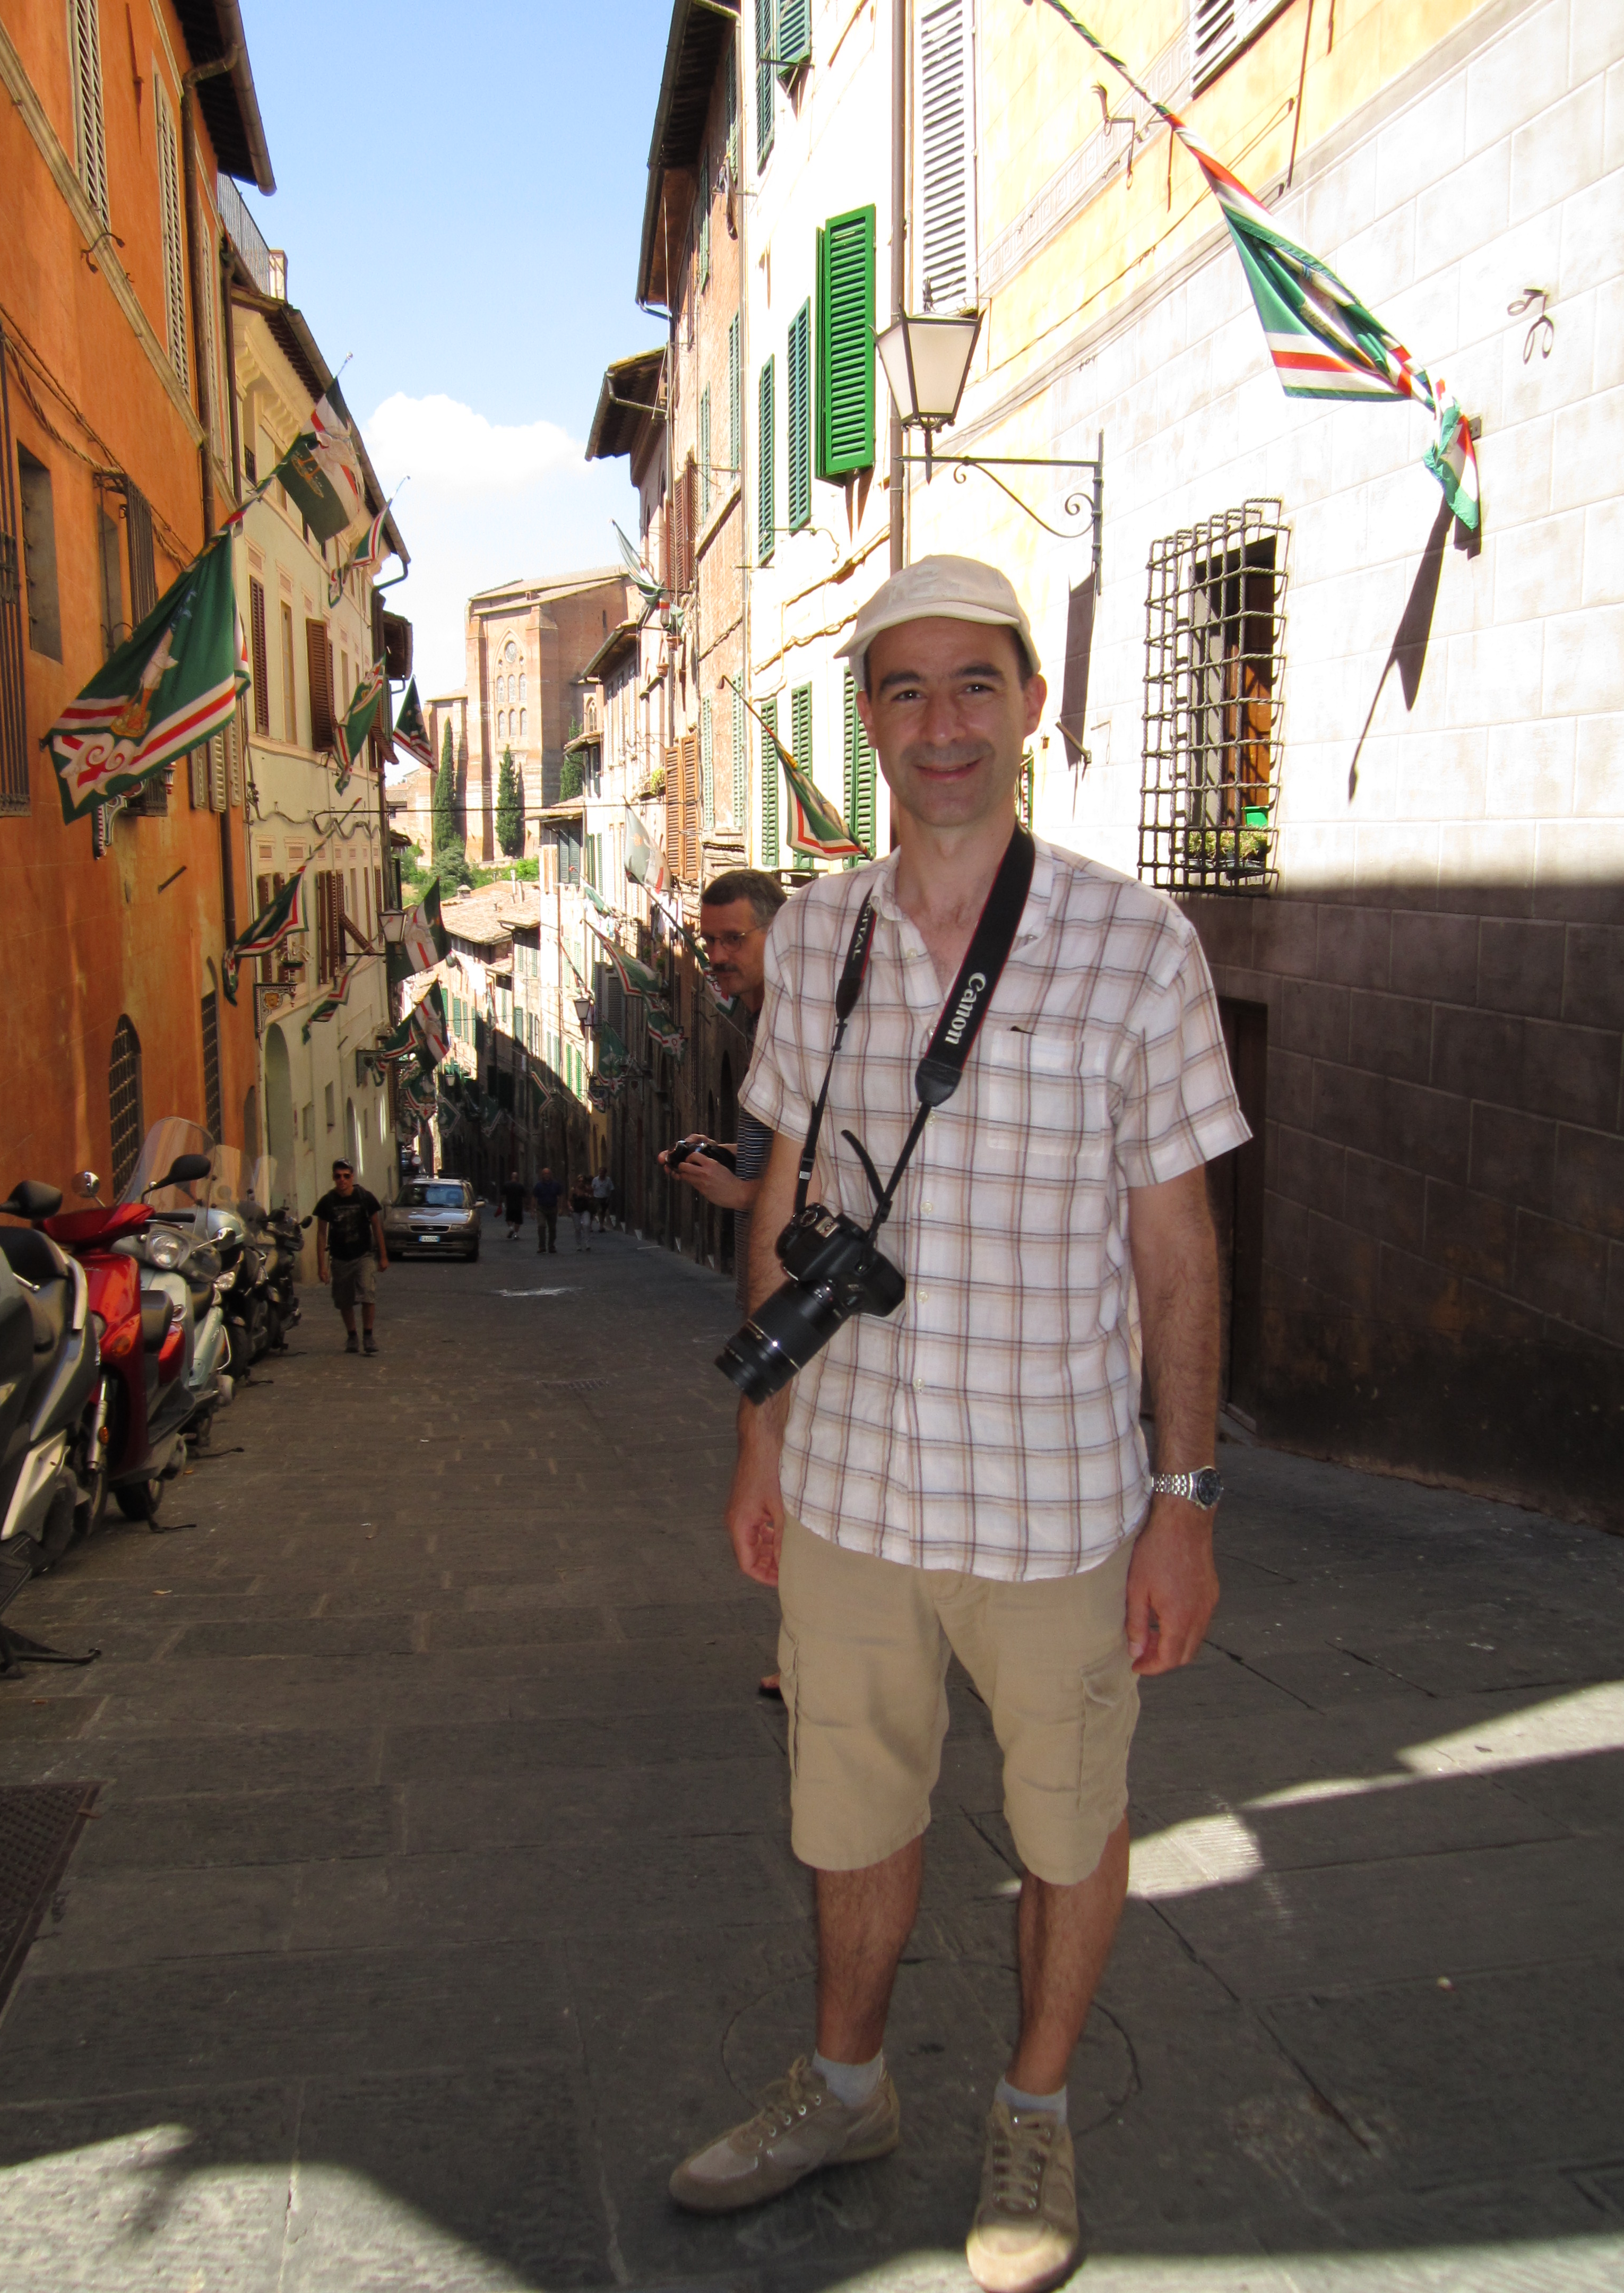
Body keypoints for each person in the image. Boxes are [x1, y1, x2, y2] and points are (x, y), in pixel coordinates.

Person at [668, 557, 1248, 2292]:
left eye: (975, 684)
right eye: (905, 689)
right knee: (849, 1811)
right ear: (869, 720)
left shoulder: (1139, 943)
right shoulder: (818, 935)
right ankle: (846, 2090)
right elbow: (787, 1192)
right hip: (851, 1489)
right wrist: (762, 1436)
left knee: (1069, 1825)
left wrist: (1186, 1497)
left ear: (1030, 706)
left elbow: (1176, 1244)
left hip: (1059, 1502)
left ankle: (1035, 2115)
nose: (943, 724)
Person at [660, 867, 791, 1696]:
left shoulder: (803, 1020)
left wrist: (745, 1195)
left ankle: (814, 1657)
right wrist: (731, 1158)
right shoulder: (768, 1018)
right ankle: (808, 1652)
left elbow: (830, 1161)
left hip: (801, 1291)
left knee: (799, 1470)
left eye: (734, 938)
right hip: (777, 1280)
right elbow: (786, 1148)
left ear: (780, 931)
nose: (715, 955)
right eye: (708, 940)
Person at [312, 1159, 387, 1355]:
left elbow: (377, 1227)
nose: (342, 1180)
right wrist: (322, 1266)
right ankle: (352, 1335)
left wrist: (383, 1256)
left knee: (368, 1293)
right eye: (338, 1176)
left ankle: (368, 1335)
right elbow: (321, 1234)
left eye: (346, 1176)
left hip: (364, 1255)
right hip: (340, 1258)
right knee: (344, 1300)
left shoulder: (364, 1197)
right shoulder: (328, 1202)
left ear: (352, 1177)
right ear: (333, 1178)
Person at [532, 1164, 564, 1254]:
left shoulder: (556, 1185)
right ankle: (542, 1246)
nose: (546, 1175)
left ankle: (551, 1246)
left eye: (548, 1174)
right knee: (541, 1226)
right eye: (545, 1174)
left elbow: (561, 1195)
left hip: (553, 1208)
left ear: (551, 1175)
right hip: (541, 1208)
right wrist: (532, 1210)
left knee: (552, 1228)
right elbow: (534, 1197)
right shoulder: (539, 1185)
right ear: (542, 1175)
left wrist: (561, 1208)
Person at [498, 1169, 526, 1241]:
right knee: (518, 1220)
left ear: (511, 1177)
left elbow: (502, 1195)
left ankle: (511, 1229)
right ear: (518, 1178)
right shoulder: (521, 1186)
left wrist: (500, 1203)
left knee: (509, 1218)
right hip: (519, 1206)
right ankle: (516, 1235)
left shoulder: (507, 1185)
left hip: (510, 1205)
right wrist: (524, 1205)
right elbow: (524, 1196)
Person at [570, 1173, 595, 1252]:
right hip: (576, 1211)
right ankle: (579, 1244)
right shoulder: (573, 1190)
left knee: (587, 1225)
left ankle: (588, 1243)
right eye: (579, 1181)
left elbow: (593, 1197)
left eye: (583, 1181)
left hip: (585, 1210)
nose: (581, 1183)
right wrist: (570, 1207)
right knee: (578, 1228)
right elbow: (569, 1200)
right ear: (577, 1182)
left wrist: (589, 1196)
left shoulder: (587, 1189)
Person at [592, 1163, 615, 1231]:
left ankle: (601, 1224)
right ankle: (601, 1226)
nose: (601, 1173)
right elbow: (592, 1188)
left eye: (603, 1172)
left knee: (604, 1212)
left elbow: (611, 1189)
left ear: (605, 1173)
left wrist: (609, 1198)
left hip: (605, 1198)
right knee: (600, 1211)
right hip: (597, 1198)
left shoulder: (608, 1180)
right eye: (600, 1171)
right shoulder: (595, 1180)